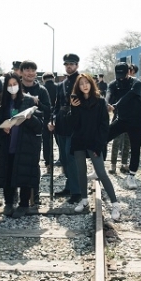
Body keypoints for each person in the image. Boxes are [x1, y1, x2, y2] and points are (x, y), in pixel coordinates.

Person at [68, 74, 121, 220]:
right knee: (81, 171)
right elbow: (73, 125)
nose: (84, 86)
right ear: (77, 87)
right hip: (79, 140)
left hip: (94, 142)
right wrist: (73, 108)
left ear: (92, 84)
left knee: (101, 173)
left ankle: (115, 203)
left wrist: (99, 145)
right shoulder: (76, 102)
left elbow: (104, 126)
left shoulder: (99, 101)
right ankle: (84, 199)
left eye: (87, 83)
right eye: (81, 84)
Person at [0, 73, 43, 218]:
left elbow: (39, 126)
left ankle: (23, 204)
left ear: (19, 84)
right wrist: (2, 127)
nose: (12, 88)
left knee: (24, 174)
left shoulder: (28, 101)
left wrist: (30, 118)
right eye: (9, 85)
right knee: (7, 172)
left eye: (14, 84)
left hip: (25, 145)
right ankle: (9, 202)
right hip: (7, 144)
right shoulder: (3, 102)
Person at [106, 62, 141, 189]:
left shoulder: (136, 83)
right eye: (118, 75)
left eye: (123, 74)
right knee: (102, 137)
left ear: (128, 72)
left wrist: (116, 105)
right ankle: (98, 169)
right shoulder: (113, 84)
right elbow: (108, 94)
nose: (121, 77)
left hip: (136, 121)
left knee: (135, 148)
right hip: (121, 119)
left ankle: (131, 176)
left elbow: (128, 97)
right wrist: (106, 104)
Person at [48, 54, 82, 203]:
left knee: (72, 158)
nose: (69, 66)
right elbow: (56, 105)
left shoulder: (82, 81)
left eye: (72, 64)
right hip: (61, 123)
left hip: (75, 124)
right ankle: (70, 186)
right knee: (64, 158)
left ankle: (77, 191)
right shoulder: (61, 83)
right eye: (67, 64)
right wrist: (53, 119)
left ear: (77, 65)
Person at [20, 60, 51, 205]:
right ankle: (17, 197)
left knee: (34, 164)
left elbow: (48, 110)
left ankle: (35, 195)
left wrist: (36, 103)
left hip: (34, 132)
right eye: (27, 70)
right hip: (16, 131)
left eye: (33, 70)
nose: (30, 73)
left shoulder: (42, 90)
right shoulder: (15, 86)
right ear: (21, 72)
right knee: (16, 163)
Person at [42, 71, 57, 174]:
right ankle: (64, 164)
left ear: (43, 79)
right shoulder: (58, 87)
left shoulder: (42, 89)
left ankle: (48, 164)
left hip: (45, 118)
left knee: (46, 142)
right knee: (60, 142)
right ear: (53, 78)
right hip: (58, 118)